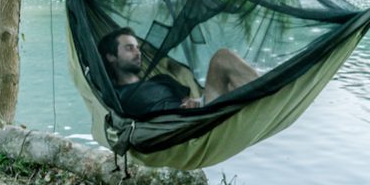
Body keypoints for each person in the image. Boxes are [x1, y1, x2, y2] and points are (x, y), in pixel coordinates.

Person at [98, 27, 259, 116]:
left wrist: (193, 102)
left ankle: (271, 94)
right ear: (111, 57)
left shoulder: (161, 79)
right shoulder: (116, 97)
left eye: (138, 48)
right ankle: (269, 90)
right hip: (176, 128)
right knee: (222, 58)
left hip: (198, 114)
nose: (138, 52)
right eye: (129, 48)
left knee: (232, 80)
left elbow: (189, 99)